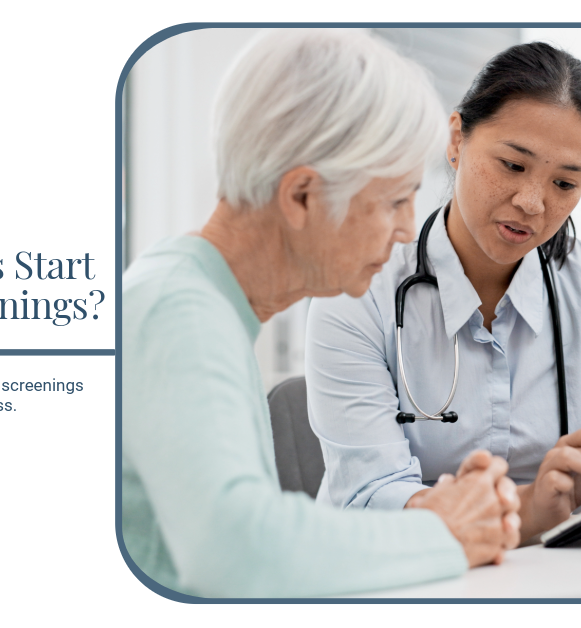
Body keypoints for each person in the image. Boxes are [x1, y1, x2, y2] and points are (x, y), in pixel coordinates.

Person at [122, 29, 522, 598]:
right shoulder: (177, 314)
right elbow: (236, 550)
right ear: (302, 196)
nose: (410, 229)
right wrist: (445, 532)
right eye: (392, 201)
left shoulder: (201, 305)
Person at [305, 41, 581, 543]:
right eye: (512, 166)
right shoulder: (359, 290)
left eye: (564, 184)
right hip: (410, 582)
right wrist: (529, 509)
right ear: (456, 140)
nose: (533, 203)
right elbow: (369, 497)